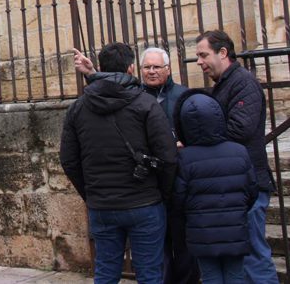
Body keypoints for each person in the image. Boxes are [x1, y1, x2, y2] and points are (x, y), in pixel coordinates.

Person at [73, 46, 200, 284]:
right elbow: (168, 156)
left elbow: (69, 159)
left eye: (156, 67)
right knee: (150, 272)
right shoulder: (144, 103)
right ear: (133, 68)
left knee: (106, 271)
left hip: (102, 204)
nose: (151, 71)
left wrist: (91, 193)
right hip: (145, 202)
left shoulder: (79, 107)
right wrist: (159, 191)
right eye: (146, 67)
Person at [195, 30, 278, 283]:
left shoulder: (243, 82)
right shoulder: (225, 84)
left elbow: (240, 129)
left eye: (203, 55)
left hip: (248, 184)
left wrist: (198, 140)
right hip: (235, 185)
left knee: (253, 256)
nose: (199, 62)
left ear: (222, 53)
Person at [172, 90, 258, 283]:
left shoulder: (185, 158)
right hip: (235, 228)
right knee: (236, 275)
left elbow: (178, 198)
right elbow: (252, 191)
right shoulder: (239, 151)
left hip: (201, 231)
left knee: (210, 276)